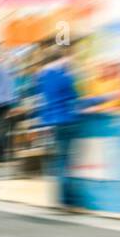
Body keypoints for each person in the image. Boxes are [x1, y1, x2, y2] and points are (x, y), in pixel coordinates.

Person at [37, 48, 82, 209]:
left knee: (57, 161)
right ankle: (68, 200)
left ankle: (58, 199)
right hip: (66, 120)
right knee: (66, 161)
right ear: (61, 58)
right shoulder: (65, 75)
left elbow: (41, 101)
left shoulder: (41, 77)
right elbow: (74, 97)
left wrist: (43, 123)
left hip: (50, 123)